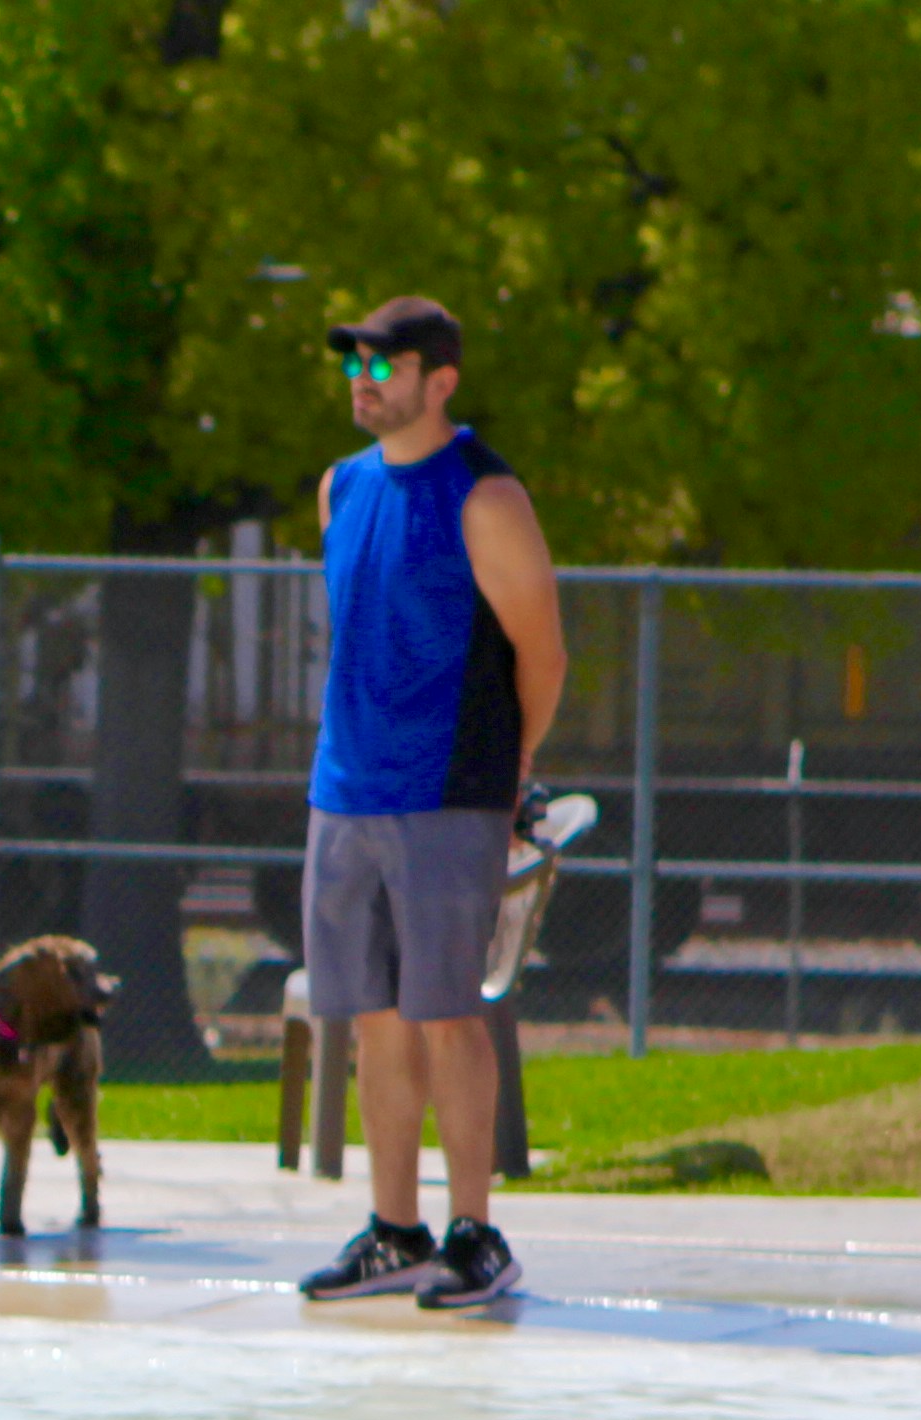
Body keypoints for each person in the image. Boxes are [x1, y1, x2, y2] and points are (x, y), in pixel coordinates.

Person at [294, 295, 564, 1311]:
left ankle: (475, 1232)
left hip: (449, 790)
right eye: (355, 361)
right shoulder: (341, 488)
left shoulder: (485, 495)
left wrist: (506, 771)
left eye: (384, 363)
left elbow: (543, 649)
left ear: (438, 379)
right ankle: (393, 1230)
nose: (364, 377)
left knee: (449, 1013)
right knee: (372, 1020)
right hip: (344, 787)